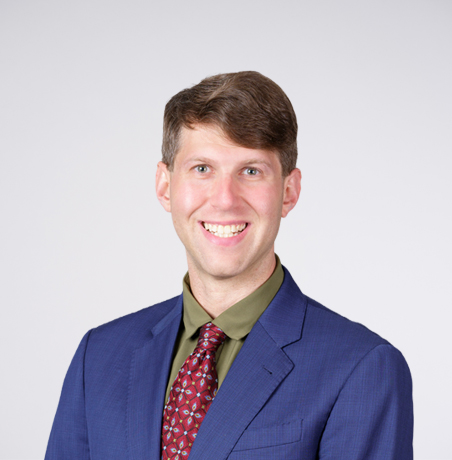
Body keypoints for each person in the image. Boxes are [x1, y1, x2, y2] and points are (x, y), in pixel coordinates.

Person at [45, 71, 413, 460]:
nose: (224, 199)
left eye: (251, 171)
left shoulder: (361, 368)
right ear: (165, 186)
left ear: (288, 192)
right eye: (202, 169)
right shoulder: (98, 357)